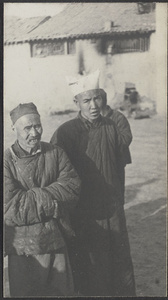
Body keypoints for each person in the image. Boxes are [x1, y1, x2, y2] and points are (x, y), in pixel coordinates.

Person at [50, 70, 136, 296]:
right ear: (76, 101)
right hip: (84, 209)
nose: (93, 105)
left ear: (103, 98)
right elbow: (54, 170)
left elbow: (120, 160)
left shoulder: (112, 126)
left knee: (117, 255)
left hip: (111, 204)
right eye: (86, 100)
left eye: (97, 98)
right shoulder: (66, 131)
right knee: (89, 260)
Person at [4, 102, 81, 297]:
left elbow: (72, 187)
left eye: (37, 126)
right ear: (14, 129)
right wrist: (51, 198)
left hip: (56, 240)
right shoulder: (5, 162)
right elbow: (11, 207)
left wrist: (32, 197)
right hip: (23, 249)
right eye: (27, 128)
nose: (34, 133)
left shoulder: (55, 153)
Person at [96, 89, 132, 202]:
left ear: (104, 101)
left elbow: (126, 138)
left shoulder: (118, 117)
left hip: (117, 161)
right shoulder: (93, 117)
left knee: (117, 191)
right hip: (98, 161)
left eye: (97, 99)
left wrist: (107, 143)